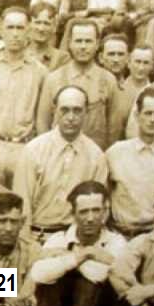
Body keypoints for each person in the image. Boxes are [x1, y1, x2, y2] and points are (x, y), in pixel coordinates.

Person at [29, 181, 126, 306]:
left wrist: (66, 261)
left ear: (105, 212)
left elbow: (101, 275)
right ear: (73, 214)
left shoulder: (116, 241)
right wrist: (85, 255)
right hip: (13, 301)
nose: (90, 218)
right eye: (83, 212)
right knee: (37, 290)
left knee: (85, 283)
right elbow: (37, 274)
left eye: (96, 210)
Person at [14, 85, 108, 243]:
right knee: (5, 267)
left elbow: (98, 209)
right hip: (35, 236)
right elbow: (21, 204)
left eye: (77, 110)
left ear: (87, 112)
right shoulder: (33, 150)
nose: (71, 117)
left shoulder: (96, 156)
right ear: (55, 110)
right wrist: (26, 244)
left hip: (75, 240)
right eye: (65, 110)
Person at [0, 7, 47, 186]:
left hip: (24, 148)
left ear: (28, 31)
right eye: (10, 27)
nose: (15, 34)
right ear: (0, 30)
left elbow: (42, 117)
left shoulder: (40, 72)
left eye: (20, 28)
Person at [36, 19, 119, 150]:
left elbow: (114, 129)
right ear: (70, 43)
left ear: (97, 44)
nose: (83, 46)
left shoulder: (109, 80)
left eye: (88, 41)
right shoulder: (53, 79)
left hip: (93, 157)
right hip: (57, 155)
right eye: (78, 41)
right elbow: (42, 123)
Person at [106, 85, 154, 239]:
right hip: (120, 236)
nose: (152, 120)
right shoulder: (116, 153)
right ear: (137, 116)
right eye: (148, 113)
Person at [113, 44, 154, 141]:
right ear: (128, 62)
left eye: (146, 63)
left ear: (152, 66)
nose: (141, 68)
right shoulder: (116, 89)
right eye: (137, 62)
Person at [25, 2, 71, 71]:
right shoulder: (19, 53)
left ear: (54, 27)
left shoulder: (62, 58)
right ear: (29, 25)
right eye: (37, 23)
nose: (41, 28)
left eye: (46, 24)